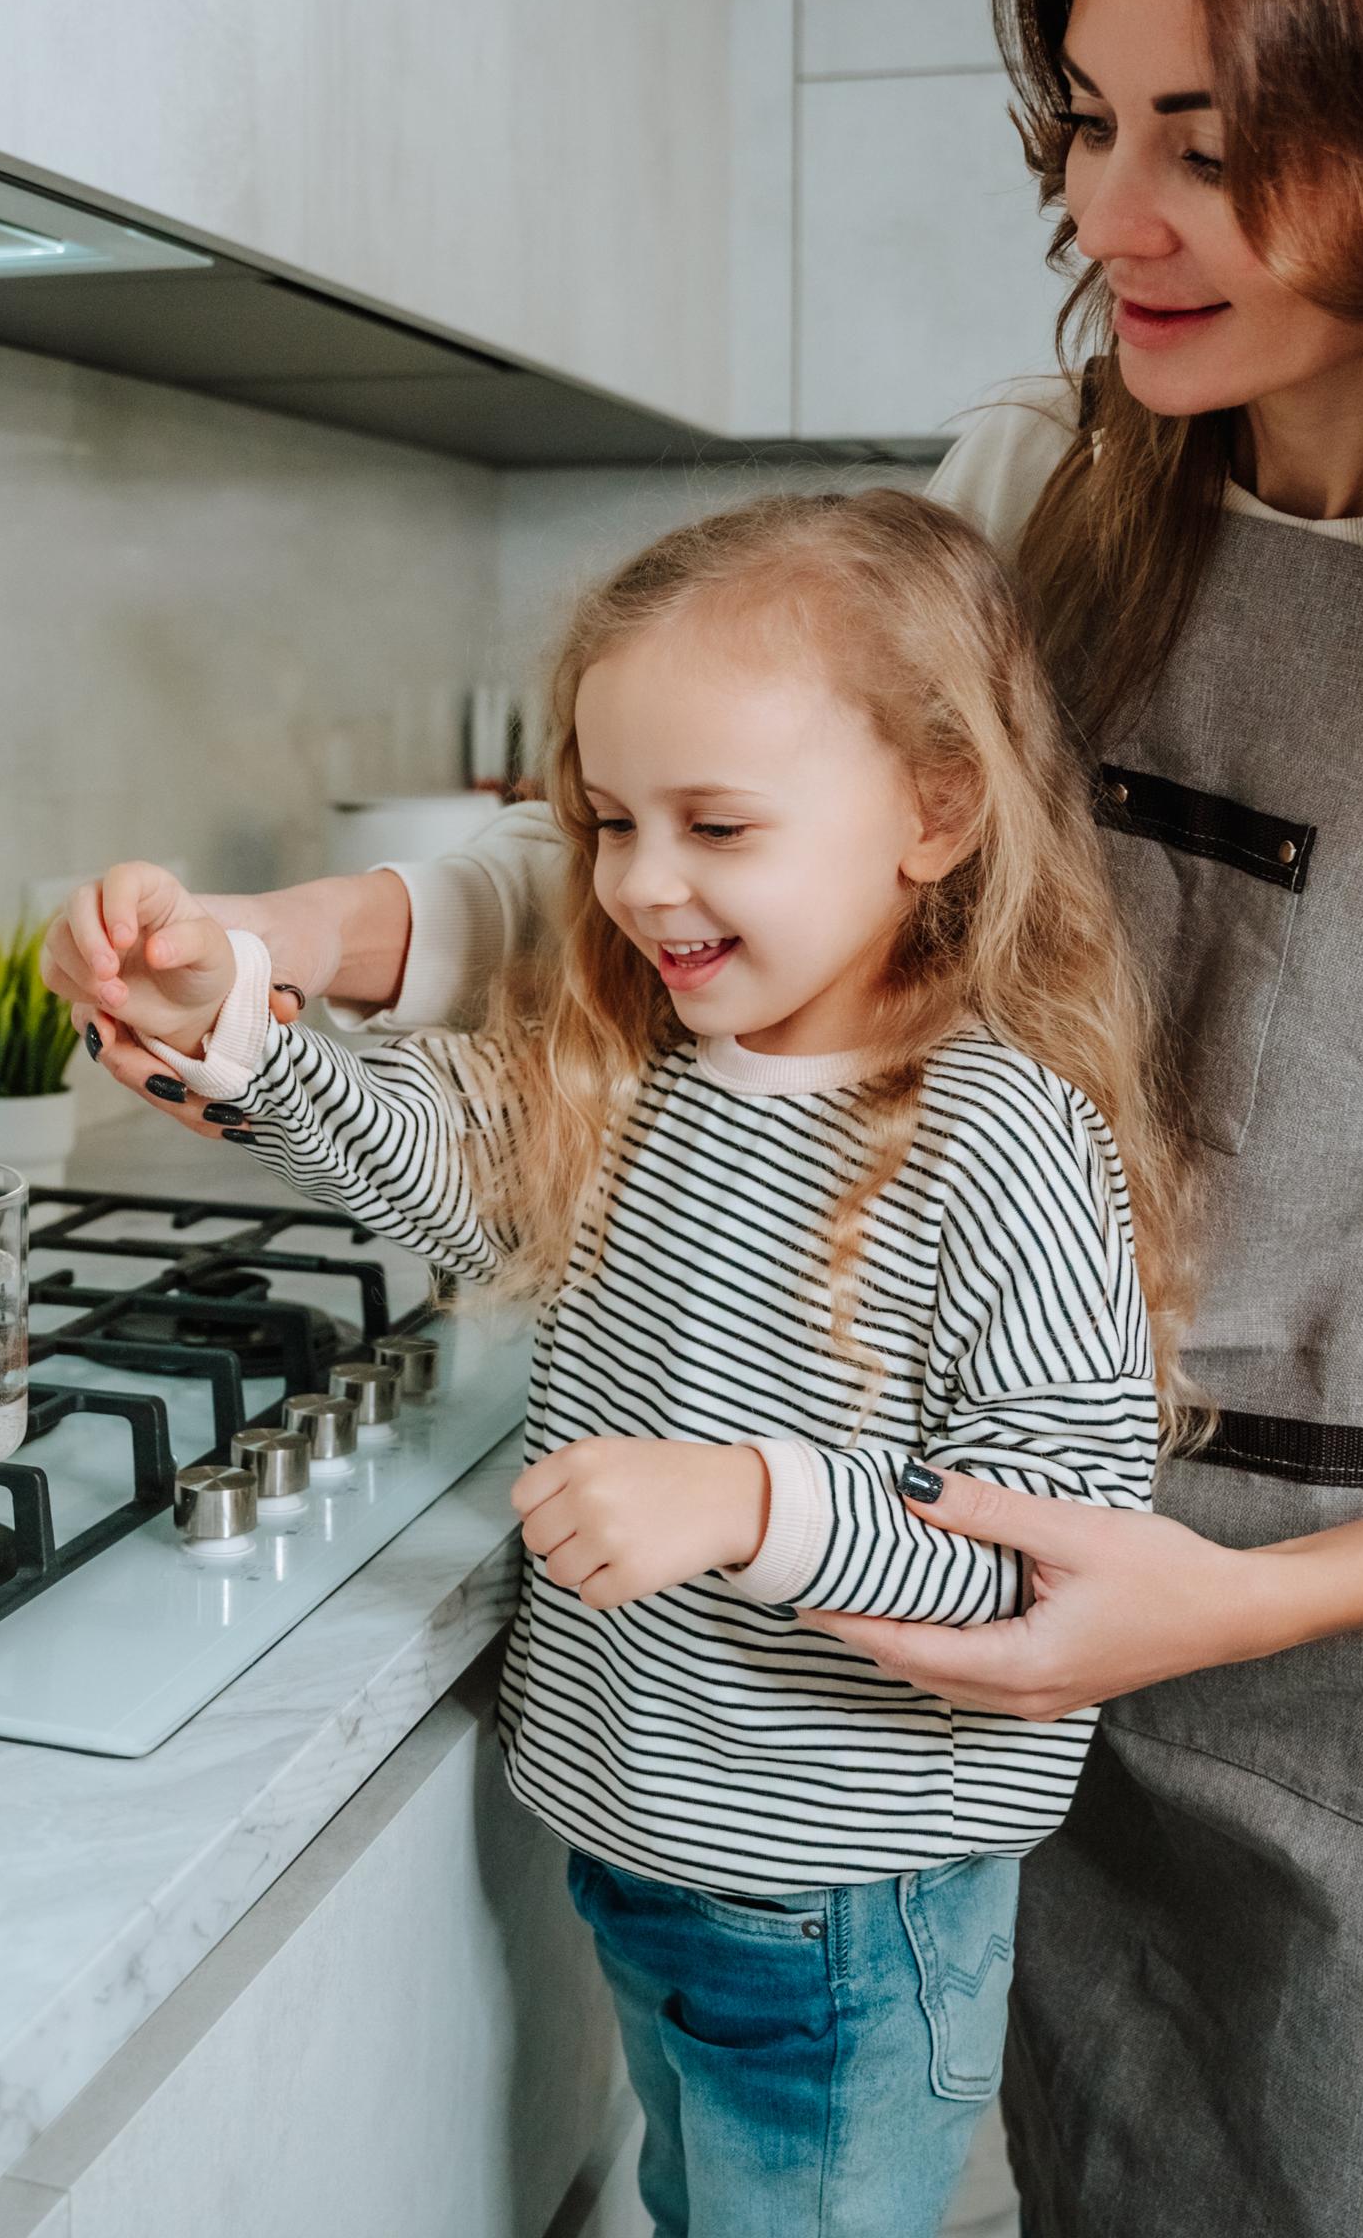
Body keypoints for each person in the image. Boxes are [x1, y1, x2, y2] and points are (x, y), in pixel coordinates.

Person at [51, 0, 1363, 2237]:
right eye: (1086, 126)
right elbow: (750, 882)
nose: (1116, 206)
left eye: (1206, 141)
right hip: (965, 1664)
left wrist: (1236, 1593)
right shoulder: (1048, 486)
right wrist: (304, 947)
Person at [65, 489, 1175, 2238]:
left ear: (937, 811)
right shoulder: (648, 1068)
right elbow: (425, 1136)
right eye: (607, 822)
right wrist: (232, 1002)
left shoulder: (1004, 1143)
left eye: (716, 824)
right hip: (647, 1844)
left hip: (840, 1903)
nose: (644, 883)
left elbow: (1056, 1555)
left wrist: (748, 1503)